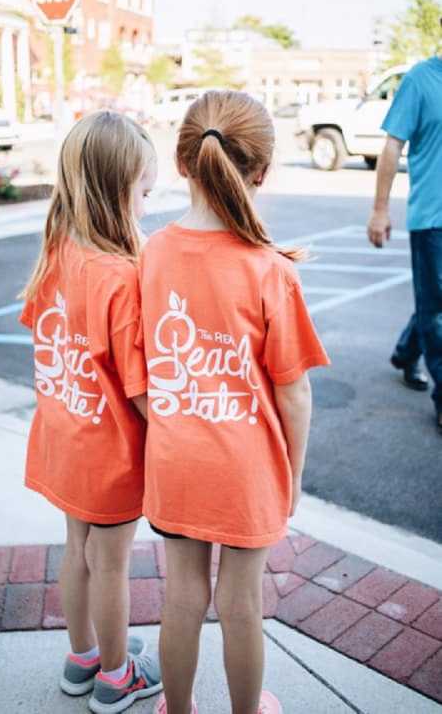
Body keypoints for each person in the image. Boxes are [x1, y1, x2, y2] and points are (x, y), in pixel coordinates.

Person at [139, 90, 330, 714]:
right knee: (242, 601)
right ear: (262, 171)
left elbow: (140, 369)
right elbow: (293, 392)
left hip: (175, 464)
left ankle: (180, 708)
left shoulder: (152, 253)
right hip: (246, 470)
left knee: (182, 596)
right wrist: (291, 474)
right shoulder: (270, 269)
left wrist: (170, 428)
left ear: (181, 162)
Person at [19, 111, 162, 713]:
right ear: (114, 190)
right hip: (109, 454)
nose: (146, 207)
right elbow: (140, 393)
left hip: (62, 440)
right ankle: (115, 675)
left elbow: (45, 332)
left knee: (75, 552)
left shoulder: (55, 252)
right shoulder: (120, 276)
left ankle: (82, 656)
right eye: (142, 193)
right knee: (110, 566)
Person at [367, 54, 442, 434]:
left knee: (435, 302)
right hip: (433, 218)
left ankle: (406, 353)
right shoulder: (419, 80)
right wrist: (380, 210)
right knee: (437, 309)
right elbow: (393, 146)